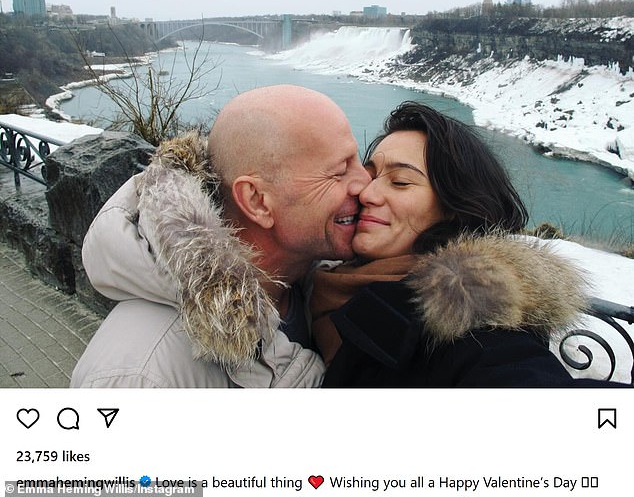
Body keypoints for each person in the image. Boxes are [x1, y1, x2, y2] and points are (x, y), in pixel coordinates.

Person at [71, 85, 370, 387]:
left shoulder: (315, 288)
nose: (366, 182)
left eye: (359, 161)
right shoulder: (140, 376)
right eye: (339, 171)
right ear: (256, 201)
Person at [311, 101, 605, 387]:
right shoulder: (322, 280)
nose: (367, 194)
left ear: (453, 206)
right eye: (370, 175)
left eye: (400, 182)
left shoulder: (470, 321)